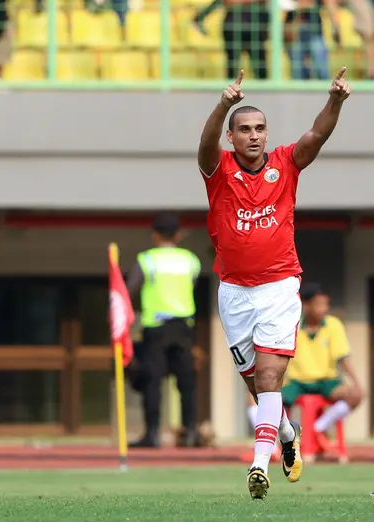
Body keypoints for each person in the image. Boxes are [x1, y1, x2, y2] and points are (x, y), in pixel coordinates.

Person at [198, 66, 351, 499]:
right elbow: (205, 142)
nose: (253, 135)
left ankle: (258, 467)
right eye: (244, 129)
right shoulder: (219, 168)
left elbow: (315, 137)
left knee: (269, 378)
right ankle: (287, 435)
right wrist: (223, 105)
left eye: (260, 128)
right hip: (233, 292)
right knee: (258, 386)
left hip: (280, 287)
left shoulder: (285, 163)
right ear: (232, 137)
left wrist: (335, 100)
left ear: (268, 134)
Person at [126, 214, 202, 448]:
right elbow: (193, 284)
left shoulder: (147, 260)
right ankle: (190, 432)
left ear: (155, 235)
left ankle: (153, 434)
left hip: (156, 327)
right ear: (178, 235)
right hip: (183, 327)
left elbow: (130, 290)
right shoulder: (191, 260)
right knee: (186, 382)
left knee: (152, 381)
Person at [280, 283, 363, 450]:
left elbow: (343, 357)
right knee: (267, 401)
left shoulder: (333, 325)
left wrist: (355, 382)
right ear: (306, 305)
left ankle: (318, 427)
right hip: (297, 382)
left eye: (326, 304)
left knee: (356, 395)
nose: (324, 309)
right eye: (319, 304)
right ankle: (281, 445)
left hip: (326, 381)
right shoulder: (291, 324)